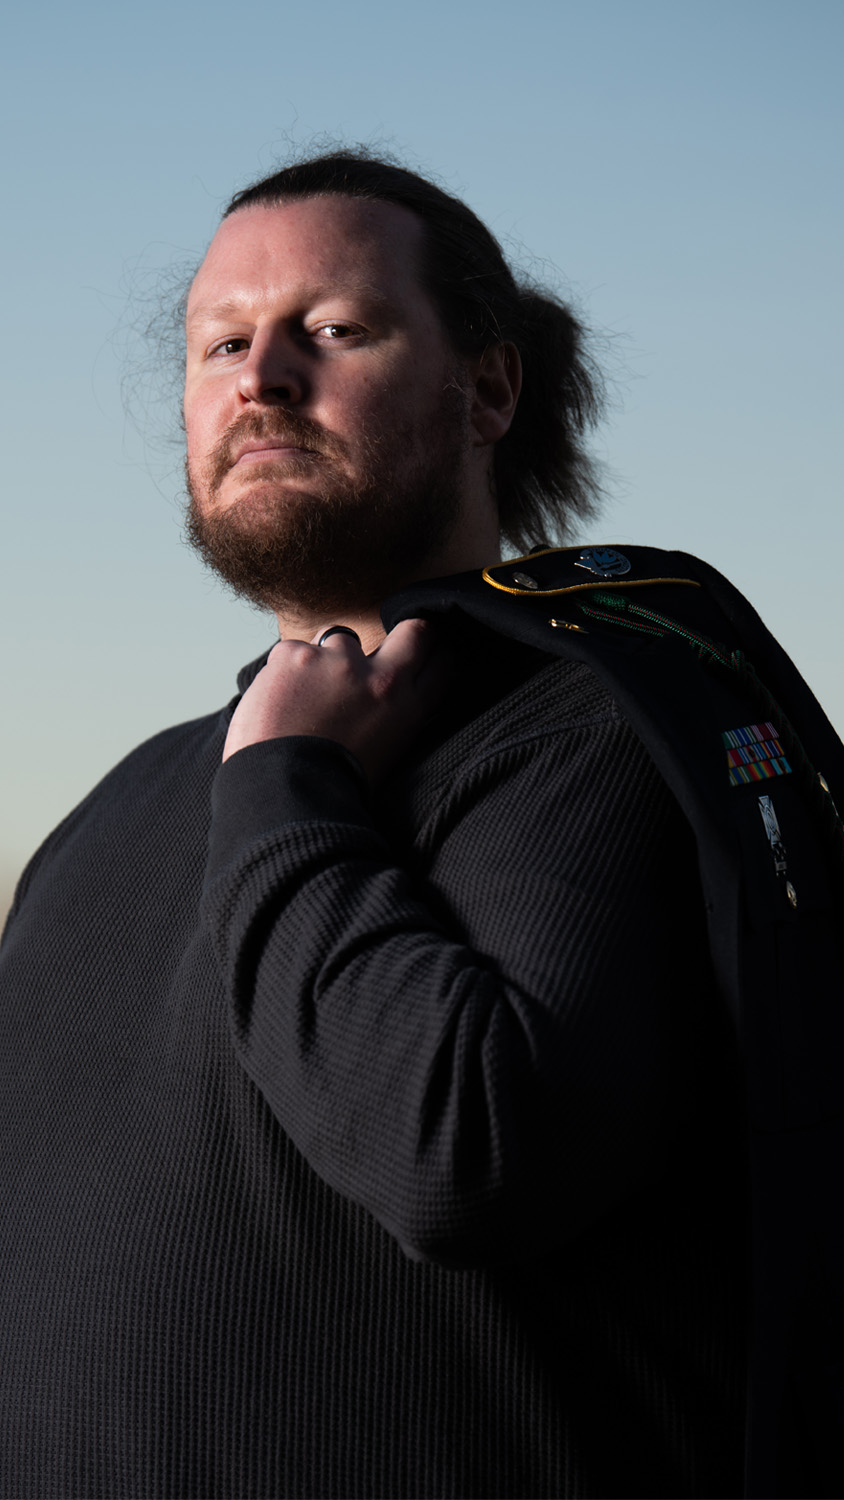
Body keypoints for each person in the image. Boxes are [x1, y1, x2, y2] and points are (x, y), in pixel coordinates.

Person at [1, 150, 818, 1500]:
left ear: (488, 388)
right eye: (222, 343)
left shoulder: (600, 732)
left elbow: (465, 1154)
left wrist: (283, 789)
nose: (260, 379)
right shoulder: (115, 807)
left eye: (332, 330)